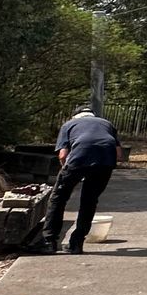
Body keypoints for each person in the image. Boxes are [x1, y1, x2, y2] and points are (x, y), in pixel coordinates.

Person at [37, 107, 124, 254]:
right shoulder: (106, 123)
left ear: (75, 116)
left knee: (58, 199)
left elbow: (63, 155)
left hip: (79, 158)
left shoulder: (69, 125)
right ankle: (76, 244)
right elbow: (119, 154)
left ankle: (49, 241)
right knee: (89, 201)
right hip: (106, 161)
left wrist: (67, 172)